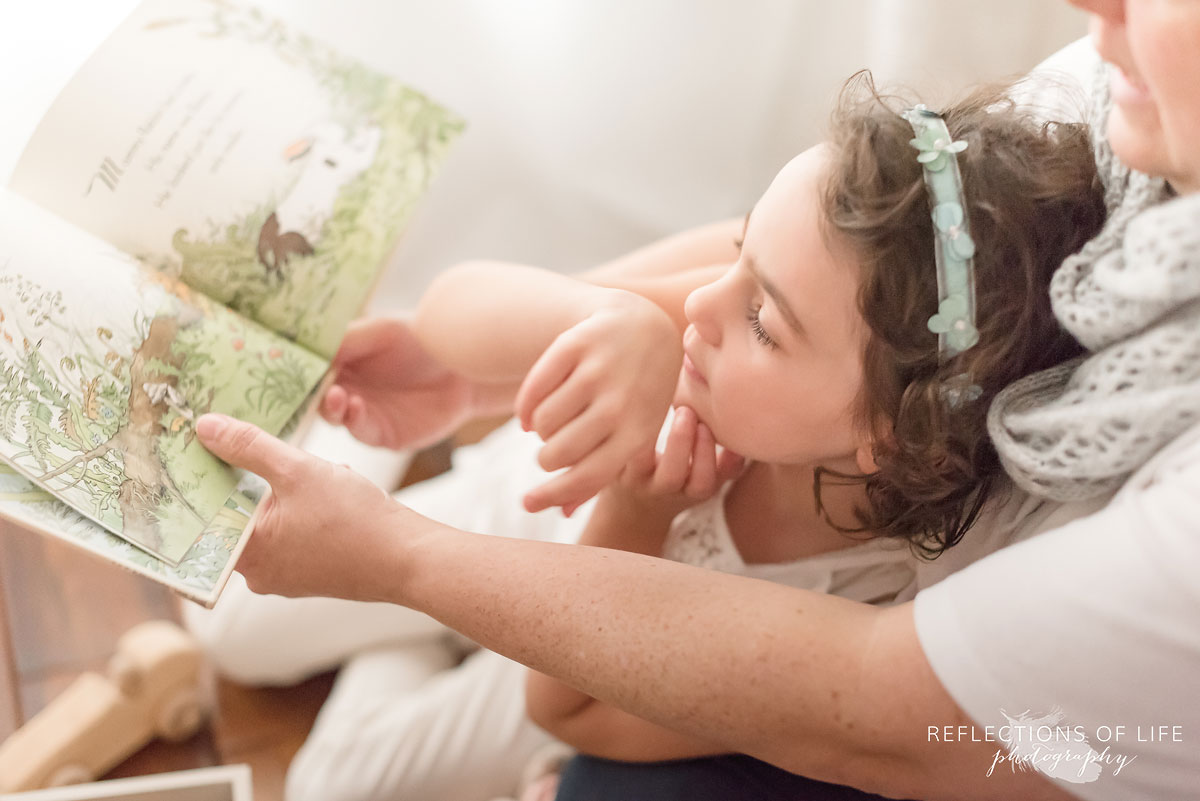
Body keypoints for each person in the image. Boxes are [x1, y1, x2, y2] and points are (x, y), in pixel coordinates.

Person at [192, 0, 1200, 797]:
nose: (703, 310)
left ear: (887, 436)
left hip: (571, 639)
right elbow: (452, 312)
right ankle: (401, 577)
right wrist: (609, 318)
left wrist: (636, 505)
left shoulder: (861, 598)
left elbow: (568, 709)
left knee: (338, 780)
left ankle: (409, 606)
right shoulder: (711, 347)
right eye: (740, 256)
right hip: (513, 503)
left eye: (765, 317)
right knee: (228, 631)